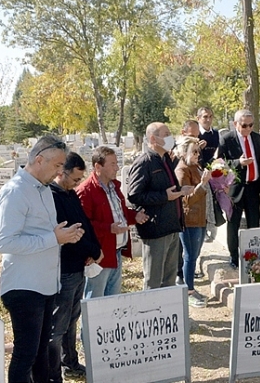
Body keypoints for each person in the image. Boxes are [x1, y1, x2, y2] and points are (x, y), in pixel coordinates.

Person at [0, 136, 84, 383]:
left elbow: (45, 233)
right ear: (38, 159)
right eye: (57, 166)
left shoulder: (42, 190)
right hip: (24, 286)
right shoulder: (15, 192)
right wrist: (53, 238)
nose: (60, 172)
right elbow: (5, 242)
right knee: (26, 353)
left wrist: (64, 236)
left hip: (44, 284)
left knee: (41, 352)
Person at [48, 152, 103, 381]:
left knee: (72, 318)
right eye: (74, 179)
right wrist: (93, 250)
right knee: (59, 324)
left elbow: (85, 225)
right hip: (65, 268)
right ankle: (52, 371)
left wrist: (96, 249)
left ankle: (69, 361)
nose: (77, 184)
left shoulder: (69, 194)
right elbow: (73, 234)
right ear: (62, 173)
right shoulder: (53, 197)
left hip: (78, 266)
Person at [127, 122, 193, 290]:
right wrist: (165, 196)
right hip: (156, 229)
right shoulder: (145, 162)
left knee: (169, 280)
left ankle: (167, 314)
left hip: (171, 226)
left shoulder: (165, 160)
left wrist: (179, 192)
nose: (170, 137)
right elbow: (134, 195)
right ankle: (150, 314)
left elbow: (169, 187)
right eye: (166, 134)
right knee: (154, 281)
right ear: (153, 139)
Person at [77, 146, 148, 299]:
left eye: (117, 163)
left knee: (112, 300)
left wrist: (134, 216)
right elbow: (83, 226)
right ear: (98, 166)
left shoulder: (113, 186)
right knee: (95, 301)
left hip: (115, 252)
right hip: (99, 255)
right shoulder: (86, 191)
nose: (117, 168)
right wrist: (108, 228)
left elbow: (119, 213)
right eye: (113, 164)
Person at [217, 109, 260, 268]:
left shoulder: (256, 137)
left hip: (253, 187)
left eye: (251, 125)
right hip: (235, 189)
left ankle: (253, 254)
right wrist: (238, 162)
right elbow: (220, 164)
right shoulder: (227, 139)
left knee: (254, 223)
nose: (248, 129)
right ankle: (233, 256)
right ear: (235, 124)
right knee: (234, 225)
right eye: (244, 125)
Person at [174, 137, 212, 307]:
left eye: (198, 151)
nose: (198, 155)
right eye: (194, 151)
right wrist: (202, 184)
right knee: (189, 256)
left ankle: (189, 288)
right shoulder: (182, 170)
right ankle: (188, 291)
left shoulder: (195, 166)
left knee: (194, 255)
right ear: (184, 152)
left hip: (200, 218)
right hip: (189, 219)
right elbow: (186, 199)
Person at [197, 107, 222, 243]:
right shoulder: (195, 134)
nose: (208, 119)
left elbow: (218, 153)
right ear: (198, 118)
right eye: (205, 117)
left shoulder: (216, 134)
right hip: (198, 174)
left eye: (210, 116)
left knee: (213, 203)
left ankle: (211, 228)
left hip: (213, 171)